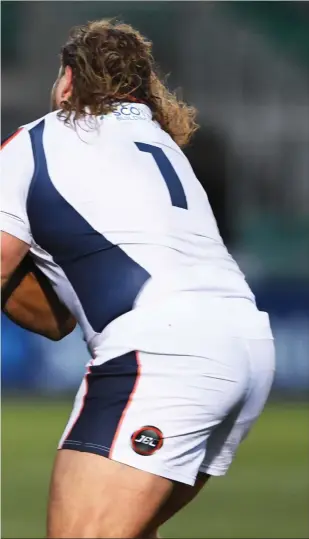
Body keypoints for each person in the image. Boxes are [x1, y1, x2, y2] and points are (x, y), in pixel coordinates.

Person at [0, 19, 275, 539]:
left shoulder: (34, 141)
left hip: (163, 355)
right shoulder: (161, 143)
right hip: (247, 347)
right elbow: (56, 318)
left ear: (66, 80)